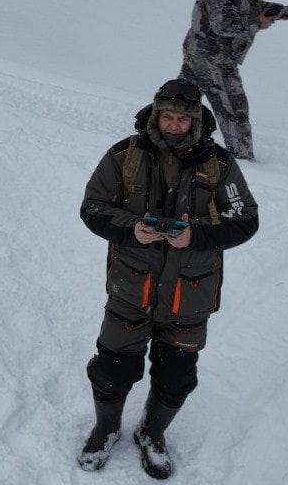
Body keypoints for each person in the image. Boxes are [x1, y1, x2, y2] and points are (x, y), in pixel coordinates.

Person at [76, 79, 259, 479]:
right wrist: (131, 229)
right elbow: (92, 207)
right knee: (112, 369)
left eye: (182, 118)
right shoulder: (125, 155)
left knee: (177, 376)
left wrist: (197, 236)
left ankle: (152, 432)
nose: (173, 125)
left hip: (190, 294)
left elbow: (246, 220)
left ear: (194, 121)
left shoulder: (220, 164)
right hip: (131, 286)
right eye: (167, 116)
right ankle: (106, 427)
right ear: (156, 114)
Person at [179, 0, 288, 161]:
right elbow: (223, 24)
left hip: (201, 52)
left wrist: (273, 10)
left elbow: (244, 6)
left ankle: (159, 132)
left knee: (182, 98)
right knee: (234, 110)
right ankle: (241, 160)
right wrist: (258, 22)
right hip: (215, 59)